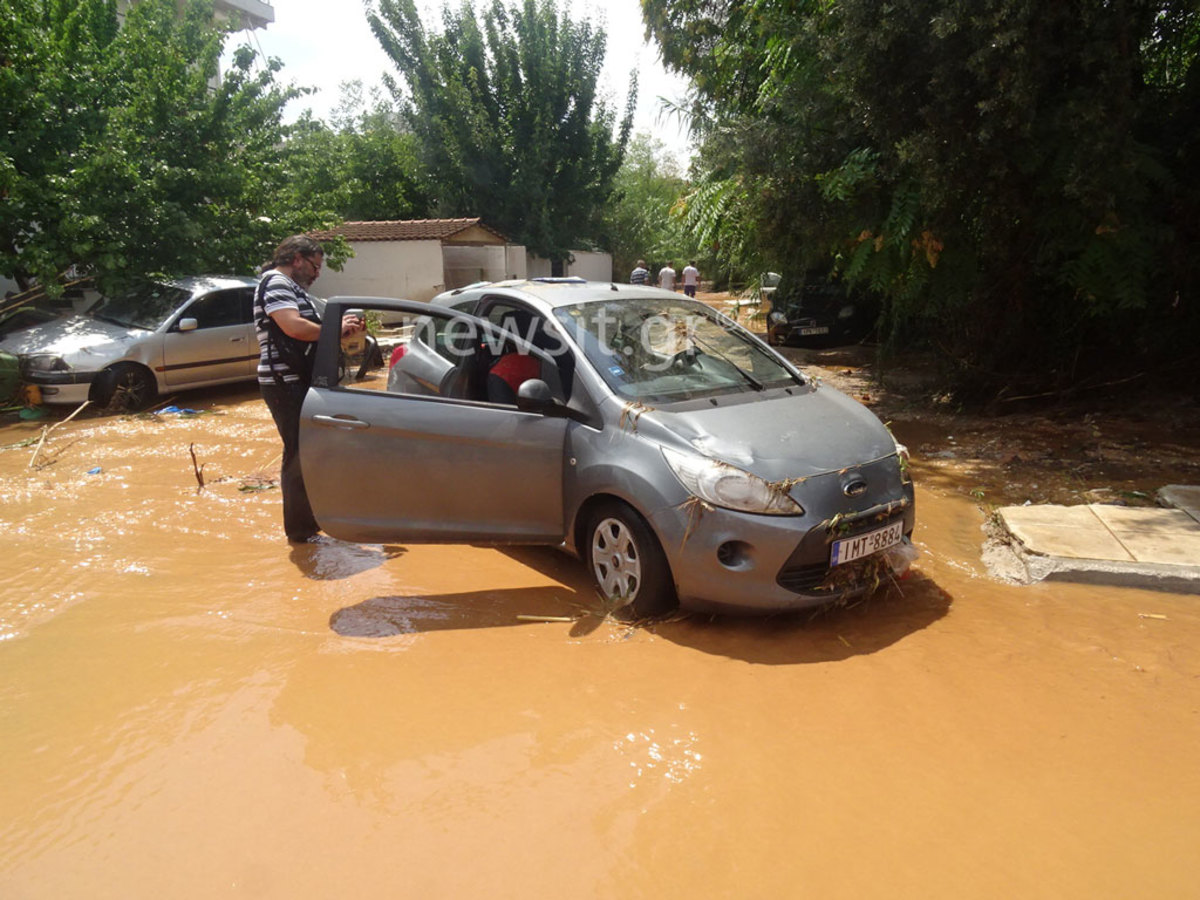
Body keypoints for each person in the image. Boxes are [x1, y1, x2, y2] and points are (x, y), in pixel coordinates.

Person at [255, 235, 364, 544]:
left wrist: (341, 326)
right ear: (297, 259)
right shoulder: (276, 282)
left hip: (293, 380)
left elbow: (312, 325)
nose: (317, 274)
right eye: (315, 267)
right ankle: (301, 532)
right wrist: (336, 331)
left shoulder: (291, 289)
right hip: (283, 382)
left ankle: (310, 525)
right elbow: (293, 326)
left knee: (309, 451)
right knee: (299, 454)